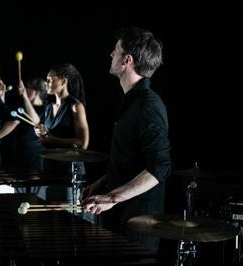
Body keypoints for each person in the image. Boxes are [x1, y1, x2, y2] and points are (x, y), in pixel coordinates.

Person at [81, 27, 172, 252]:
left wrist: (111, 198)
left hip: (137, 223)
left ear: (127, 60)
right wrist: (102, 183)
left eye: (116, 51)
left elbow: (159, 168)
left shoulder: (147, 106)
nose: (111, 54)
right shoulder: (131, 103)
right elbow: (131, 161)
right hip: (119, 216)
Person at [35, 63, 90, 202]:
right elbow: (47, 135)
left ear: (63, 81)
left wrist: (52, 140)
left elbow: (83, 143)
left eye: (50, 79)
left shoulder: (75, 106)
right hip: (49, 167)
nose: (46, 83)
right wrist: (41, 133)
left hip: (69, 170)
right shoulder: (48, 108)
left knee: (66, 217)